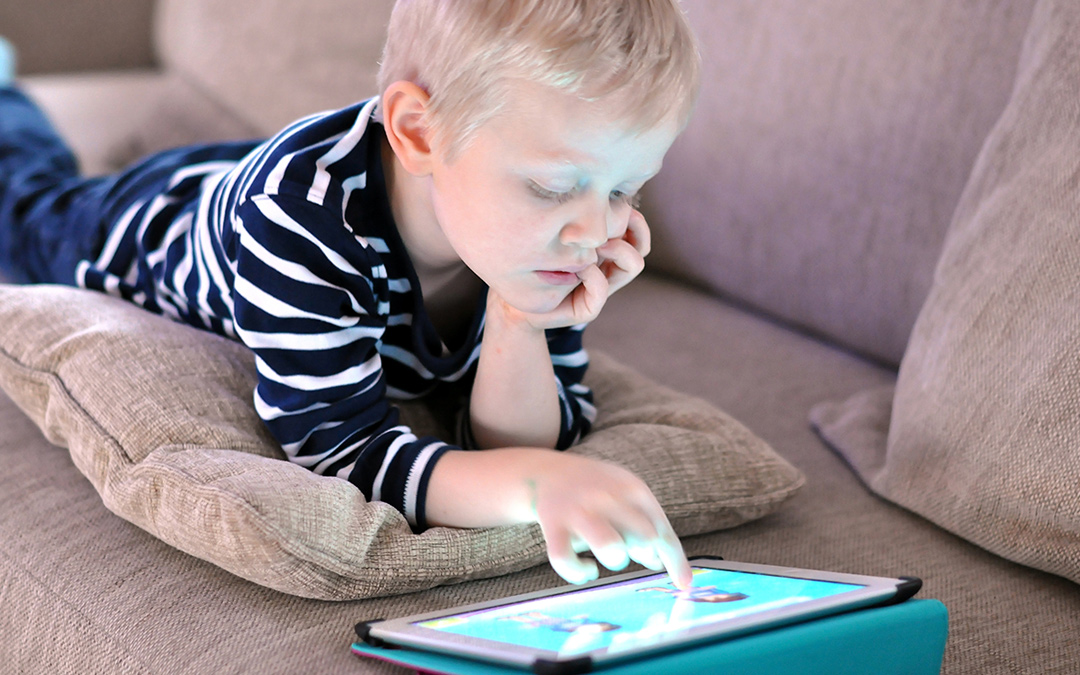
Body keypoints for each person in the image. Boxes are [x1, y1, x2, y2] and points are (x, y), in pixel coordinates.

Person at [0, 0, 701, 588]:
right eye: (553, 186)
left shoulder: (547, 237)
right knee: (26, 205)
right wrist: (533, 486)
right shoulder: (301, 225)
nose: (595, 230)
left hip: (284, 180)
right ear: (419, 132)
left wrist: (521, 319)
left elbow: (514, 436)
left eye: (625, 188)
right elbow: (342, 450)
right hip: (150, 225)